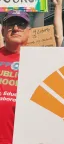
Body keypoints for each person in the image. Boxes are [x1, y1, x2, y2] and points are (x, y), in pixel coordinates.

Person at [0, 10, 31, 144]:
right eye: (11, 24)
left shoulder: (39, 60)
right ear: (3, 31)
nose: (16, 28)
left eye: (21, 24)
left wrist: (58, 9)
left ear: (29, 31)